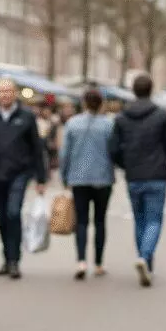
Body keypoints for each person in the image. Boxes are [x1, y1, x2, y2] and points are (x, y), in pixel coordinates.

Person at [0, 77, 48, 280]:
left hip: (19, 173)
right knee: (3, 217)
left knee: (14, 213)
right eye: (1, 91)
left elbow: (37, 149)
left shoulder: (27, 117)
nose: (5, 95)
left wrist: (41, 178)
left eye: (8, 91)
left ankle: (15, 260)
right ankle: (6, 259)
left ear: (15, 93)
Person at [109, 74, 166, 287]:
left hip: (134, 176)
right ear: (152, 89)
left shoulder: (122, 117)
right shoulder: (161, 116)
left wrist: (125, 165)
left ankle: (146, 262)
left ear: (133, 90)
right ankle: (145, 256)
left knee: (139, 220)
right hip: (157, 175)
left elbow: (113, 149)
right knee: (154, 220)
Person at [59, 90, 114, 280]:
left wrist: (64, 176)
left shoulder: (72, 124)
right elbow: (114, 151)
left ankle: (81, 261)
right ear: (101, 104)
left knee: (81, 221)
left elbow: (64, 153)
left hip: (78, 178)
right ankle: (98, 263)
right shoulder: (108, 125)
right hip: (103, 178)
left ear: (83, 103)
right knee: (100, 220)